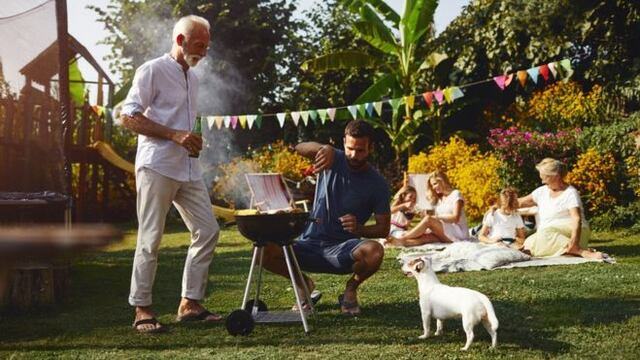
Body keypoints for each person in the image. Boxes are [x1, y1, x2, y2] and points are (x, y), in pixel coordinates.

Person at [121, 15, 222, 333]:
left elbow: (184, 121)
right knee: (150, 239)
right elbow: (129, 116)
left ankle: (190, 303)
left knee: (208, 231)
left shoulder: (192, 77)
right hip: (157, 165)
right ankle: (142, 309)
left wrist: (192, 139)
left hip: (188, 168)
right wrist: (175, 135)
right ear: (180, 40)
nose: (204, 52)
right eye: (198, 45)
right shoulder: (151, 70)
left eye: (206, 46)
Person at [262, 120, 391, 316]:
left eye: (361, 150)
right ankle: (303, 284)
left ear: (371, 147)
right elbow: (299, 147)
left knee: (375, 251)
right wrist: (324, 148)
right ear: (344, 143)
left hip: (343, 251)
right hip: (307, 244)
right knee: (262, 248)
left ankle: (350, 290)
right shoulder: (334, 157)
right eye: (350, 149)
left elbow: (383, 229)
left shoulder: (378, 184)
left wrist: (359, 229)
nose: (354, 155)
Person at [518, 158, 605, 259]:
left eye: (545, 178)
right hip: (550, 234)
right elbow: (520, 202)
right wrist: (500, 203)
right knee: (528, 243)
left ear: (556, 176)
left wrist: (574, 241)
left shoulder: (570, 193)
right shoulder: (541, 192)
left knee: (545, 233)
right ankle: (570, 250)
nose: (542, 181)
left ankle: (578, 250)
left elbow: (576, 219)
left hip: (575, 233)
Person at [386, 171, 469, 247]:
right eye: (432, 185)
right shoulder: (440, 199)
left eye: (435, 183)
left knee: (428, 219)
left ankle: (402, 238)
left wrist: (435, 218)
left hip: (459, 233)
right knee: (426, 237)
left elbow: (455, 218)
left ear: (442, 181)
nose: (433, 187)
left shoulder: (456, 194)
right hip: (447, 230)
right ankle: (399, 243)